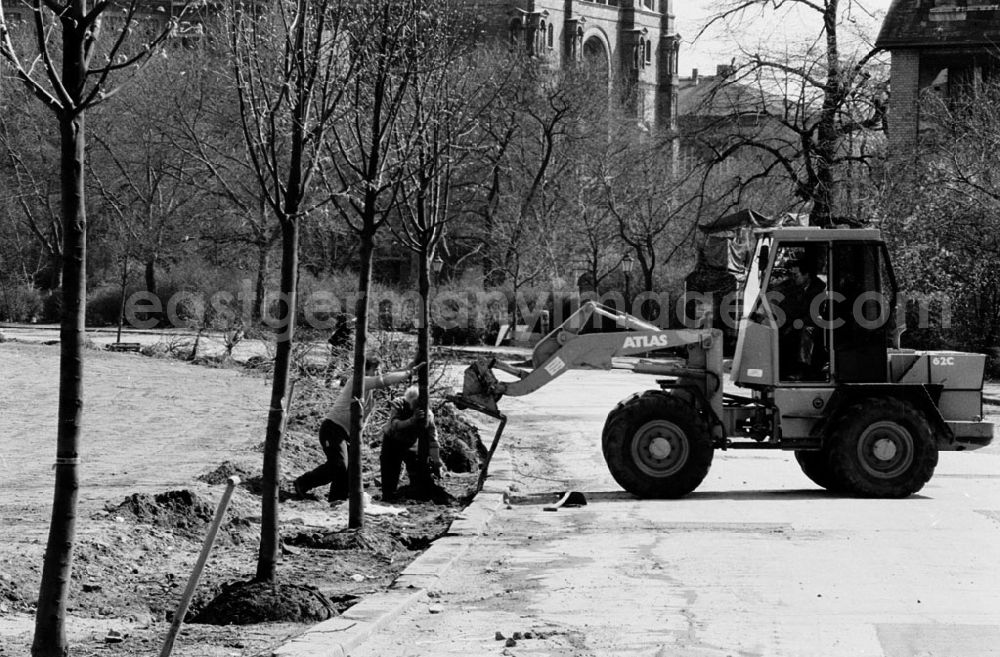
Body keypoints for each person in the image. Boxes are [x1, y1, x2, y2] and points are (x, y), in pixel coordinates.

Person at [293, 355, 418, 504]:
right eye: (375, 370)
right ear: (366, 369)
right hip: (333, 428)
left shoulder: (368, 389)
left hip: (347, 434)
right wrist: (409, 373)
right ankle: (303, 483)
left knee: (349, 470)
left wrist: (411, 366)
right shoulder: (358, 381)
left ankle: (336, 500)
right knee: (338, 464)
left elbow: (389, 375)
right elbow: (383, 380)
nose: (378, 373)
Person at [380, 386, 444, 500]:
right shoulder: (399, 404)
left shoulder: (427, 415)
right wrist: (412, 420)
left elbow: (432, 438)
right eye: (414, 404)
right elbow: (395, 424)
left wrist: (437, 461)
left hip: (410, 442)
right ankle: (388, 495)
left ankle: (416, 493)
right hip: (392, 440)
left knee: (416, 468)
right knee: (390, 470)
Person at [774, 257, 826, 379]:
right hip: (800, 321)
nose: (793, 278)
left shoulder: (818, 289)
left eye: (796, 275)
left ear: (806, 275)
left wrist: (794, 324)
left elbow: (813, 315)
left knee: (805, 333)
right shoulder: (798, 286)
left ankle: (802, 370)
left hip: (814, 324)